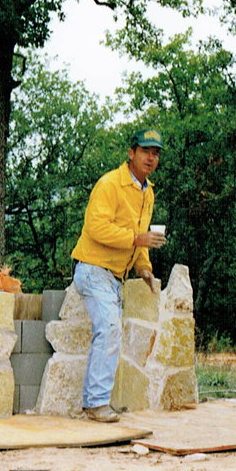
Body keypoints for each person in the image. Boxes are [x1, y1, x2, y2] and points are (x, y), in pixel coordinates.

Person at [71, 128, 167, 423]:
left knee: (111, 332)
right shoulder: (110, 184)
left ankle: (97, 402)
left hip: (114, 276)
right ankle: (96, 403)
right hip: (92, 269)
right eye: (145, 151)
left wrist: (145, 268)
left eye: (156, 153)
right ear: (131, 153)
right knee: (110, 329)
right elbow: (95, 227)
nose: (151, 158)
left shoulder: (147, 192)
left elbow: (142, 238)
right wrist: (137, 240)